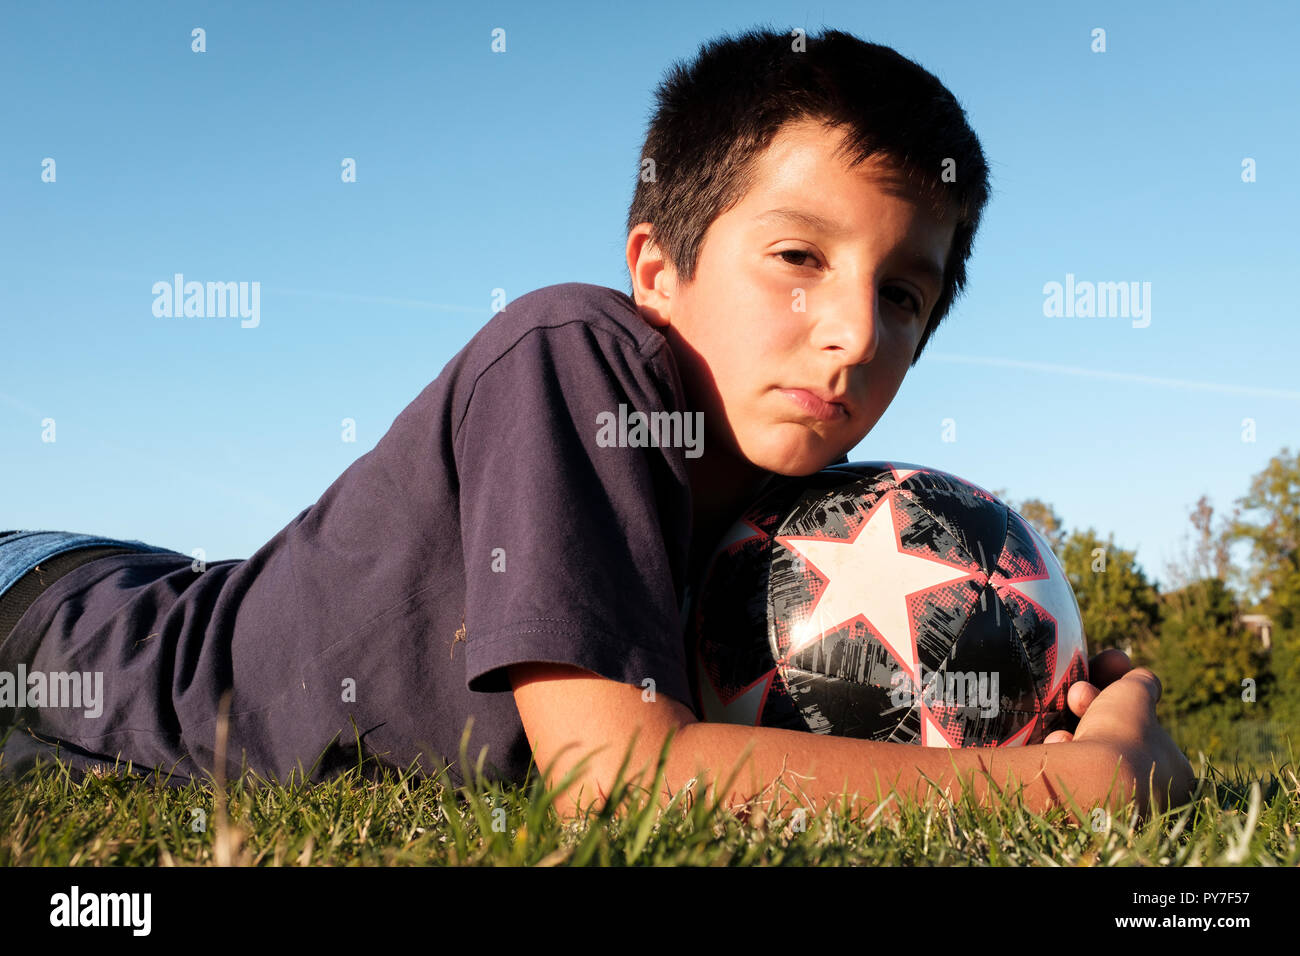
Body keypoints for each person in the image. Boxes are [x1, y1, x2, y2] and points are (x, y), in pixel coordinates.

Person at [0, 27, 1194, 822]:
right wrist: (1078, 781)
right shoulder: (578, 353)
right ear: (656, 267)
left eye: (902, 294)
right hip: (59, 624)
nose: (852, 332)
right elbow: (620, 778)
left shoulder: (815, 526)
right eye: (795, 256)